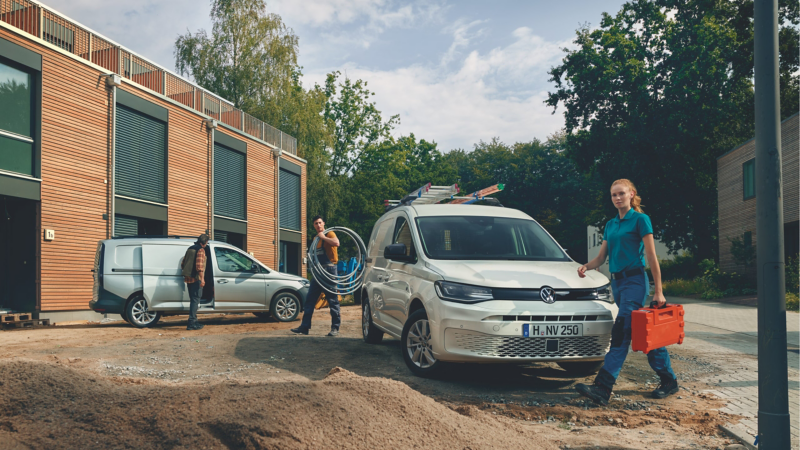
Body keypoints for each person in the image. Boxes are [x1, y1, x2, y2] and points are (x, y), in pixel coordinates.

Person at [574, 179, 678, 405]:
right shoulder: (610, 225)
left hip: (635, 281)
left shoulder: (641, 220)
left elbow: (651, 256)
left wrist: (658, 291)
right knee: (643, 332)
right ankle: (668, 380)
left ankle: (603, 387)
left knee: (620, 331)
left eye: (621, 193)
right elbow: (602, 258)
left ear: (632, 194)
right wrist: (586, 266)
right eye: (613, 195)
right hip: (618, 285)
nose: (617, 198)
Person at [291, 216, 341, 336]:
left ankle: (335, 328)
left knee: (332, 300)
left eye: (320, 223)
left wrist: (323, 237)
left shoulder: (329, 233)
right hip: (318, 270)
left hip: (329, 269)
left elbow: (336, 243)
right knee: (310, 299)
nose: (318, 225)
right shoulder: (315, 238)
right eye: (315, 223)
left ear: (323, 223)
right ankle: (305, 327)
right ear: (313, 225)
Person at [181, 234, 209, 331]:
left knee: (193, 300)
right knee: (195, 301)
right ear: (205, 242)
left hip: (188, 278)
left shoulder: (190, 248)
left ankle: (194, 321)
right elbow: (199, 266)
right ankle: (191, 323)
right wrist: (202, 279)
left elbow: (183, 263)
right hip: (196, 279)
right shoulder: (201, 250)